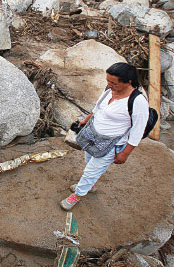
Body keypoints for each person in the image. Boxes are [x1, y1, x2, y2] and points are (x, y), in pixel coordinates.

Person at [60, 63, 149, 210]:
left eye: (114, 82)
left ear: (128, 82)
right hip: (93, 136)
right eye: (108, 80)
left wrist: (125, 153)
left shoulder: (138, 102)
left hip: (111, 144)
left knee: (90, 171)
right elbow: (98, 108)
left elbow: (138, 130)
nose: (109, 84)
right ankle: (90, 185)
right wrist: (85, 120)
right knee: (89, 160)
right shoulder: (109, 90)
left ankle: (77, 195)